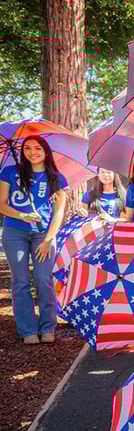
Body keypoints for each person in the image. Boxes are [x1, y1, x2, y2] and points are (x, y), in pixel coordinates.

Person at [0, 136, 68, 344]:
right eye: (28, 148)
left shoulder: (56, 177)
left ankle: (47, 326)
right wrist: (21, 215)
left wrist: (48, 239)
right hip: (14, 232)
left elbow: (59, 213)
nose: (32, 152)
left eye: (37, 148)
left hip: (43, 234)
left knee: (43, 280)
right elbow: (1, 204)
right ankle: (28, 329)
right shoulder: (10, 172)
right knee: (20, 282)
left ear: (46, 152)